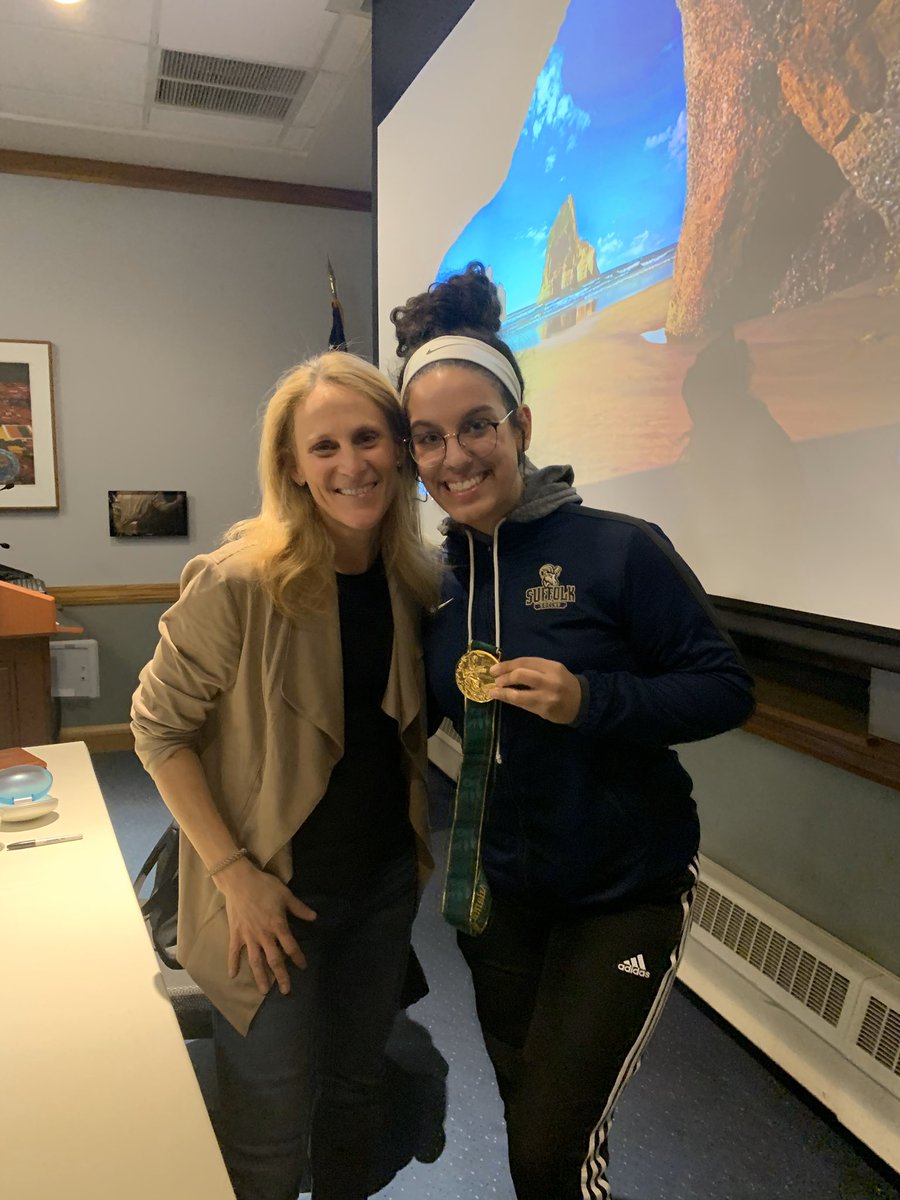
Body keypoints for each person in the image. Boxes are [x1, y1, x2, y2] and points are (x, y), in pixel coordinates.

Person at [390, 263, 755, 1199]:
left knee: (554, 1148)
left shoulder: (619, 549)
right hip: (498, 900)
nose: (454, 456)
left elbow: (724, 689)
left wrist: (592, 700)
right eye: (428, 438)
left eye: (476, 425)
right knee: (528, 1126)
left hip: (622, 893)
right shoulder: (437, 581)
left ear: (519, 426)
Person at [131, 352, 438, 1200]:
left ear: (401, 448)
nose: (352, 464)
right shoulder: (238, 584)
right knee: (266, 1133)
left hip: (378, 891)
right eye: (325, 446)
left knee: (353, 1101)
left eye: (369, 437)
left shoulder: (416, 582)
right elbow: (157, 730)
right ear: (293, 469)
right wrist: (234, 875)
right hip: (265, 900)